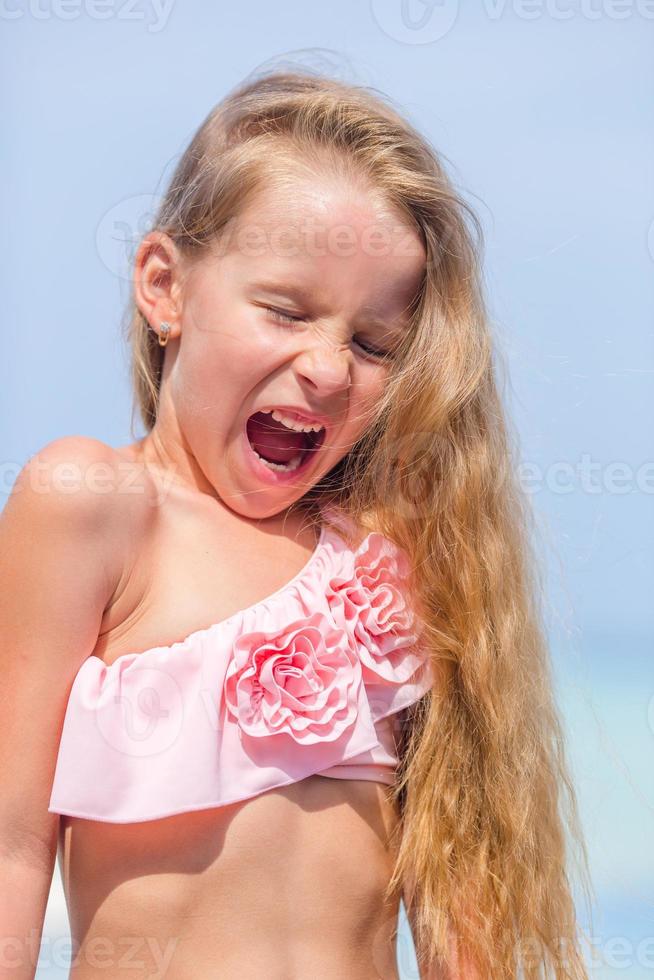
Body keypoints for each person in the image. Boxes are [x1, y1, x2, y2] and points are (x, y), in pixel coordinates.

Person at [0, 68, 593, 979]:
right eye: (284, 310)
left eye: (371, 344)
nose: (326, 368)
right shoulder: (97, 504)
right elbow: (13, 844)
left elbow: (462, 886)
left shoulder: (393, 548)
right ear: (165, 288)